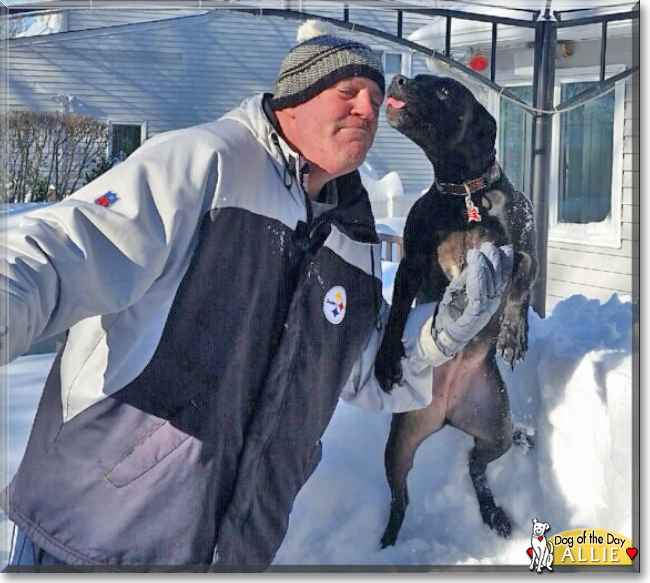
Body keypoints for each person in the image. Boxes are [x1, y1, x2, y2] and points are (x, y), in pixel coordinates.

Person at [0, 20, 512, 569]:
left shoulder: (353, 233)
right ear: (295, 98)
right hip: (94, 538)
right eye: (348, 93)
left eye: (374, 96)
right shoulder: (206, 164)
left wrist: (439, 334)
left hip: (236, 554)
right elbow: (61, 247)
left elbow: (361, 368)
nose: (368, 109)